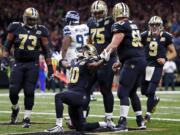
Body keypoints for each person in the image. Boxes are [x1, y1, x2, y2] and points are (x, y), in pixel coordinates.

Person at [2, 7, 53, 128]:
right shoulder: (15, 27)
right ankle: (15, 108)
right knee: (13, 91)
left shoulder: (41, 30)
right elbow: (7, 46)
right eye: (30, 20)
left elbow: (47, 51)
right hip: (18, 62)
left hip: (33, 64)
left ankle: (27, 117)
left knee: (29, 91)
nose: (33, 22)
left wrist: (50, 67)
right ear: (25, 18)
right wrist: (4, 59)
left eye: (34, 20)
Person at [45, 44, 111, 133]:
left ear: (88, 53)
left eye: (83, 50)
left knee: (58, 96)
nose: (80, 51)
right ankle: (105, 124)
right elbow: (66, 65)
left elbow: (94, 65)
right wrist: (60, 59)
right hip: (74, 96)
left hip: (80, 95)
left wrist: (103, 60)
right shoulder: (75, 61)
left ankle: (58, 126)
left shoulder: (87, 62)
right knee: (81, 127)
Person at [104, 2, 146, 131]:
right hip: (140, 60)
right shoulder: (133, 24)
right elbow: (131, 46)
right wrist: (121, 61)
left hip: (133, 61)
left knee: (122, 91)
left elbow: (114, 44)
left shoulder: (119, 25)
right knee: (132, 92)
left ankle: (122, 122)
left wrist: (101, 56)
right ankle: (140, 121)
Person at [141, 16, 177, 122]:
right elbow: (137, 48)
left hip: (157, 66)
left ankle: (147, 115)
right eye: (152, 25)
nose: (154, 27)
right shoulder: (143, 36)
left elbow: (173, 52)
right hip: (146, 66)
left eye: (157, 25)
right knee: (144, 91)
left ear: (161, 26)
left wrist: (165, 59)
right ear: (149, 26)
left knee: (151, 91)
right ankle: (155, 100)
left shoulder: (166, 36)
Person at [87, 0, 116, 127]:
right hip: (94, 58)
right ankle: (81, 116)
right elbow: (89, 40)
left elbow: (116, 41)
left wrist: (107, 56)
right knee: (86, 88)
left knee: (105, 89)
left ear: (104, 12)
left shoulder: (111, 22)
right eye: (95, 13)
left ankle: (109, 118)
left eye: (99, 12)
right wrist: (87, 53)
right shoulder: (90, 22)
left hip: (107, 59)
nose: (97, 15)